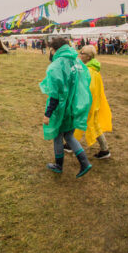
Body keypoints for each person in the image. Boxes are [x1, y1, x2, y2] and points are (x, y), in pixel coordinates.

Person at [40, 37, 93, 178]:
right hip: (74, 107)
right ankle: (84, 162)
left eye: (50, 50)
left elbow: (55, 94)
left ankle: (59, 165)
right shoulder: (77, 61)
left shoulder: (57, 66)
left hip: (62, 109)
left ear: (54, 49)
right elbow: (85, 83)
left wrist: (48, 113)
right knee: (69, 135)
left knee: (58, 136)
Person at [70, 45, 112, 159]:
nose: (80, 54)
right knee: (85, 122)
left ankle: (105, 150)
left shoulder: (89, 70)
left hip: (89, 103)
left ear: (88, 57)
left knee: (91, 124)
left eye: (82, 53)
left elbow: (89, 88)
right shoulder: (91, 68)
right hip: (91, 101)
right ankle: (71, 143)